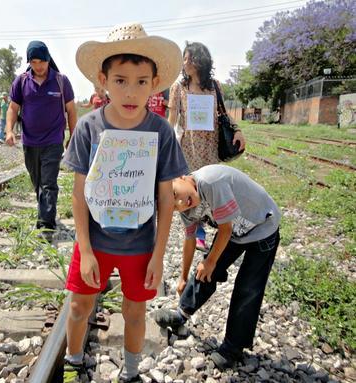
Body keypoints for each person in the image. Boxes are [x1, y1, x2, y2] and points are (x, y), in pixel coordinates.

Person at [62, 22, 188, 383]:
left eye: (141, 81)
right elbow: (78, 194)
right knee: (79, 305)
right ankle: (72, 363)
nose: (131, 92)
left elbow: (166, 198)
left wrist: (159, 255)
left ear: (154, 83)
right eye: (120, 80)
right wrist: (84, 250)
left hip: (140, 246)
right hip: (96, 244)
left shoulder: (160, 131)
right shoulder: (89, 128)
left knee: (135, 311)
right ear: (103, 80)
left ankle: (130, 373)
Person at [154, 164, 281, 370]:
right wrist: (183, 277)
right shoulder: (186, 207)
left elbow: (225, 229)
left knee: (247, 288)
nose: (180, 203)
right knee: (204, 270)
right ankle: (182, 313)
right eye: (174, 205)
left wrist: (210, 261)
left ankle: (233, 347)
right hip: (235, 231)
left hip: (262, 227)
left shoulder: (211, 182)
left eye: (176, 193)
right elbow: (191, 240)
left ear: (181, 177)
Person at [168, 42, 247, 250]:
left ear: (199, 60)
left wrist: (237, 130)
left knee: (209, 186)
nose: (184, 63)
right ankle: (196, 231)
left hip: (210, 146)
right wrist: (165, 143)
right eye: (183, 59)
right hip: (189, 146)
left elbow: (223, 113)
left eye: (188, 58)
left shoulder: (214, 86)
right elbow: (172, 117)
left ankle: (219, 225)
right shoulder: (179, 87)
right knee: (190, 188)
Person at [5, 41, 77, 241]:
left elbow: (71, 110)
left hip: (53, 141)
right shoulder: (21, 81)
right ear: (29, 62)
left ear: (48, 60)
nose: (38, 66)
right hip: (29, 141)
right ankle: (44, 211)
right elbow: (13, 108)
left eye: (42, 61)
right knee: (37, 181)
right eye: (34, 62)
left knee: (48, 182)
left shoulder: (61, 81)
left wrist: (73, 135)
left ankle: (46, 224)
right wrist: (9, 130)